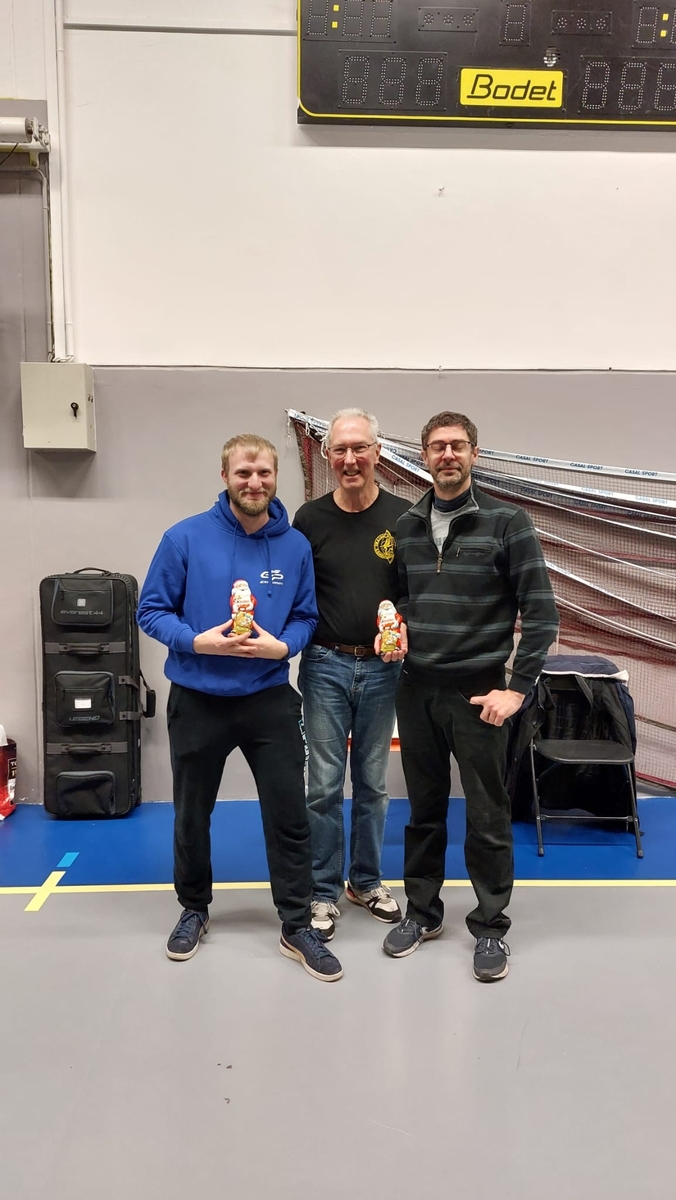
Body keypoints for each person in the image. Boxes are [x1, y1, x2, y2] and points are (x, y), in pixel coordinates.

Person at [137, 434, 343, 983]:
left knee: (289, 814)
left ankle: (296, 923)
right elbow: (151, 610)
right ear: (225, 476)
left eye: (264, 473)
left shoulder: (295, 546)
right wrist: (195, 641)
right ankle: (194, 908)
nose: (254, 482)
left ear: (276, 477)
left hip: (269, 699)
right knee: (191, 813)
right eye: (243, 473)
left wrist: (284, 647)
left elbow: (306, 616)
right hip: (198, 698)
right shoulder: (184, 537)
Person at [382, 411, 559, 981]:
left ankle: (489, 926)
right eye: (437, 446)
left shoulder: (509, 522)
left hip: (480, 693)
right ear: (424, 456)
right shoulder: (407, 526)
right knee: (423, 811)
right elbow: (401, 600)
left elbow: (542, 614)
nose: (447, 455)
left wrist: (517, 690)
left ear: (474, 454)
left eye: (457, 445)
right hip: (416, 690)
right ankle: (422, 913)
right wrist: (395, 628)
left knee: (487, 813)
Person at [293, 408, 411, 941]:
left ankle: (365, 881)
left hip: (384, 668)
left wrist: (404, 626)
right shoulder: (309, 519)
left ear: (377, 452)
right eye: (339, 449)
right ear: (327, 455)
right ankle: (322, 890)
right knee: (322, 786)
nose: (350, 459)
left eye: (359, 447)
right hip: (325, 663)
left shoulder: (404, 517)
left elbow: (413, 591)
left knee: (372, 784)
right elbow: (296, 594)